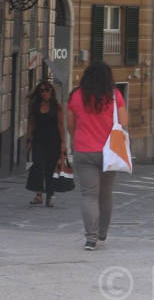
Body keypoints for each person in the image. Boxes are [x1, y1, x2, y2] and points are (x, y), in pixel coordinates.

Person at [66, 61, 127, 251]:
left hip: (84, 150)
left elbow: (70, 124)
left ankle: (90, 238)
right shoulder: (115, 96)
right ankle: (102, 232)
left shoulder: (76, 96)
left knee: (88, 195)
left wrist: (78, 140)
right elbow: (124, 122)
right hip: (109, 151)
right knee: (105, 194)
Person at [25, 80, 65, 208]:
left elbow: (60, 125)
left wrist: (63, 143)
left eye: (47, 90)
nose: (44, 93)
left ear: (51, 92)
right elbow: (31, 123)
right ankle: (38, 194)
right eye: (41, 90)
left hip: (53, 141)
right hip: (38, 141)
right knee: (38, 165)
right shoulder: (35, 106)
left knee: (50, 169)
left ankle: (49, 196)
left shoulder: (56, 107)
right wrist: (29, 140)